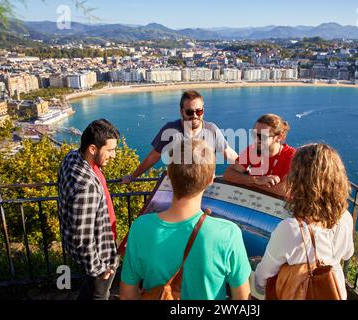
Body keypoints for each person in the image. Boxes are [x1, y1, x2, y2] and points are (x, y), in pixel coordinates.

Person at [120, 139, 251, 300]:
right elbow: (242, 297)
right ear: (211, 179)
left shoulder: (141, 228)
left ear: (168, 175)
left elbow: (127, 294)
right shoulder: (228, 234)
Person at [254, 143, 354, 300]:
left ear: (299, 180)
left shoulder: (291, 228)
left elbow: (263, 277)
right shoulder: (346, 217)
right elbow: (348, 253)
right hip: (334, 291)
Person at [58, 119, 120, 300]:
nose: (114, 155)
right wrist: (98, 268)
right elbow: (83, 237)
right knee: (100, 295)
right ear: (92, 149)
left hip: (92, 250)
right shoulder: (86, 186)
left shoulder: (71, 158)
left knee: (90, 291)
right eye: (110, 150)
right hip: (100, 252)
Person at [122, 90, 237, 183]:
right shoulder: (170, 130)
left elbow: (229, 154)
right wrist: (132, 177)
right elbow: (153, 157)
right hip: (179, 193)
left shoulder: (212, 130)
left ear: (203, 110)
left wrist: (248, 171)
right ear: (181, 112)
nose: (195, 116)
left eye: (199, 111)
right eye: (189, 112)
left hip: (205, 190)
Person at [223, 114, 296, 196]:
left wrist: (252, 183)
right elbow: (228, 174)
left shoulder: (292, 156)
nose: (256, 140)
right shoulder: (252, 150)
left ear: (279, 137)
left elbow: (285, 190)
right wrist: (255, 180)